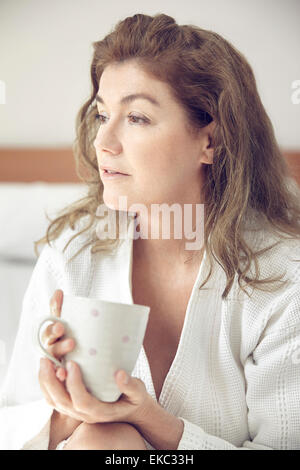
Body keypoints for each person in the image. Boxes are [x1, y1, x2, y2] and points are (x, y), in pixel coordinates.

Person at [1, 12, 300, 450]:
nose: (104, 141)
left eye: (137, 118)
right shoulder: (72, 256)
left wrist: (153, 422)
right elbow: (9, 425)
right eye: (103, 115)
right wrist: (68, 415)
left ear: (210, 141)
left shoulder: (282, 277)